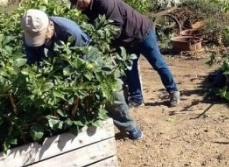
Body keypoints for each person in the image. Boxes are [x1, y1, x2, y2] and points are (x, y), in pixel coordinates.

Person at [20, 8, 143, 140]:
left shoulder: (71, 32)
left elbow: (82, 62)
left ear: (50, 25)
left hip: (85, 58)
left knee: (109, 91)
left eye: (43, 36)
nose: (41, 40)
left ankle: (129, 126)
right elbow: (33, 64)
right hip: (53, 65)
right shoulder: (30, 33)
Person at [67, 0, 180, 108]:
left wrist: (104, 44)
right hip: (126, 41)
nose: (78, 8)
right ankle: (137, 99)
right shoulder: (88, 9)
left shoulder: (106, 2)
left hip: (142, 34)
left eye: (78, 3)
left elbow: (116, 28)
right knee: (129, 69)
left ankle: (173, 91)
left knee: (158, 64)